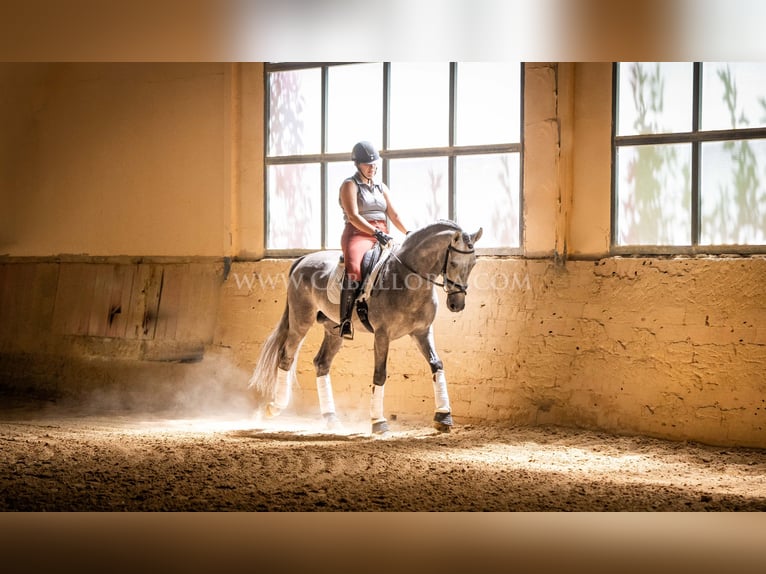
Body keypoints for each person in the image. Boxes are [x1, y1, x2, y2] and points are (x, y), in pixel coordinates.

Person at [337, 140, 409, 339]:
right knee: (354, 268)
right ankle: (345, 320)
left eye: (374, 164)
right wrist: (374, 232)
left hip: (383, 233)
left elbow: (394, 215)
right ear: (357, 165)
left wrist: (408, 233)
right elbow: (353, 216)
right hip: (358, 233)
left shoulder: (381, 186)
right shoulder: (349, 185)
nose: (372, 168)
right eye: (368, 164)